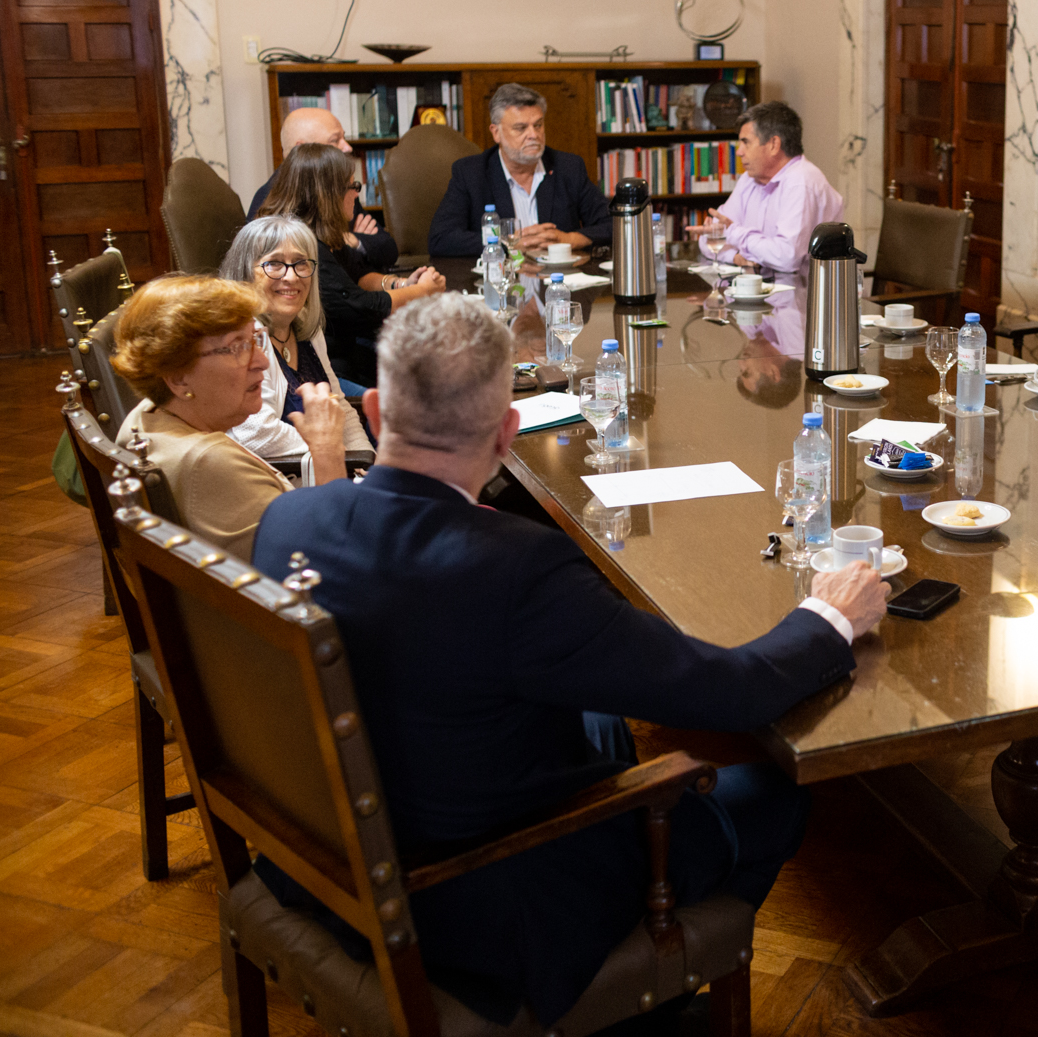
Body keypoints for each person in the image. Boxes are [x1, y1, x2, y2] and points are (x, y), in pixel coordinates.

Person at [250, 293, 889, 1028]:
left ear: (374, 413)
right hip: (475, 902)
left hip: (324, 859)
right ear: (507, 430)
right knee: (778, 795)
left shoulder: (288, 519)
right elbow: (731, 693)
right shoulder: (518, 568)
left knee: (598, 722)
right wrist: (830, 616)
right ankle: (646, 1004)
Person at [110, 274, 347, 559]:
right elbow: (333, 558)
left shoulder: (148, 414)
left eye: (255, 340)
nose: (261, 361)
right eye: (237, 346)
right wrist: (328, 450)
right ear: (178, 377)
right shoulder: (210, 464)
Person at [258, 143, 445, 390]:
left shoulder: (321, 234)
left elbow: (359, 274)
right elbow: (359, 306)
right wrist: (422, 291)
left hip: (345, 352)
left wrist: (401, 284)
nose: (357, 194)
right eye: (352, 186)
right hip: (322, 371)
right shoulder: (302, 247)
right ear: (328, 194)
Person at [219, 216, 372, 483]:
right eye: (274, 264)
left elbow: (341, 408)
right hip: (277, 486)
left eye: (301, 263)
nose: (291, 277)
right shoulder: (241, 337)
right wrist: (333, 453)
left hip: (329, 475)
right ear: (245, 273)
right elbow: (254, 432)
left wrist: (366, 464)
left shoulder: (306, 329)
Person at [428, 82, 610, 257]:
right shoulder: (471, 173)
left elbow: (612, 223)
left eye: (538, 125)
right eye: (521, 128)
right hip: (503, 275)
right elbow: (441, 238)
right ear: (496, 132)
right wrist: (507, 243)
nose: (533, 135)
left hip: (558, 275)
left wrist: (569, 240)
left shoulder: (568, 167)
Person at [689, 101, 842, 274]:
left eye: (746, 142)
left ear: (773, 145)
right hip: (764, 284)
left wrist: (734, 233)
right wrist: (736, 257)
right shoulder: (749, 179)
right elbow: (709, 240)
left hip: (806, 288)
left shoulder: (801, 181)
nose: (739, 152)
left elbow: (786, 257)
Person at [247, 106, 396, 271]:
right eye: (335, 140)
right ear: (302, 149)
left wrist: (352, 240)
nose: (348, 147)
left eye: (344, 137)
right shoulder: (271, 199)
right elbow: (323, 267)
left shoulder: (342, 187)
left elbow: (389, 248)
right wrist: (348, 246)